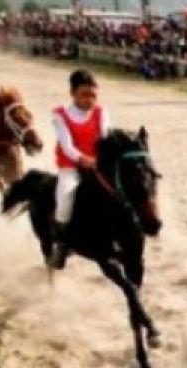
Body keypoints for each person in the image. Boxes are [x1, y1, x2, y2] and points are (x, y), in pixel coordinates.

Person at [48, 69, 111, 271]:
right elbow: (67, 146)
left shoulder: (101, 113)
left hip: (98, 166)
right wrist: (84, 159)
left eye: (93, 95)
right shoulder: (60, 115)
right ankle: (61, 243)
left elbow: (106, 137)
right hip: (71, 167)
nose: (89, 100)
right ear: (72, 93)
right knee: (65, 199)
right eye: (84, 94)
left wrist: (103, 159)